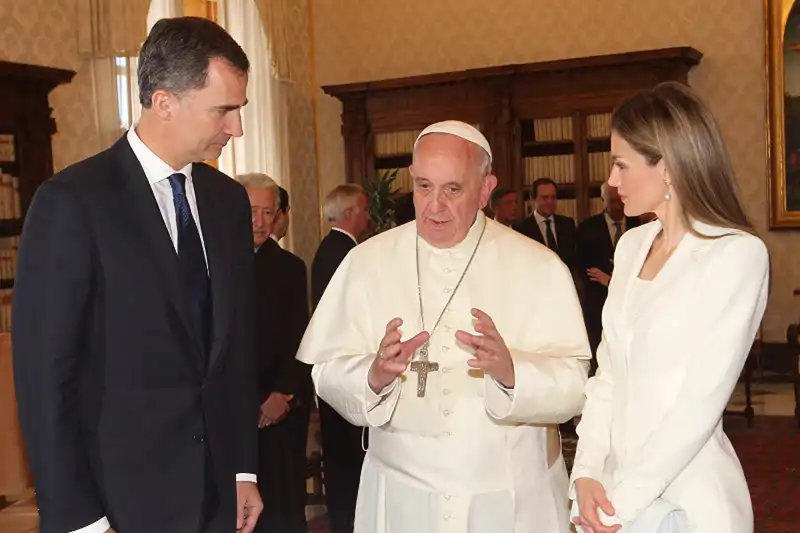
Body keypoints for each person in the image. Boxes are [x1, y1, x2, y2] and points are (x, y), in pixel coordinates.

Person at [12, 17, 263, 533]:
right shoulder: (73, 203)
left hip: (217, 495)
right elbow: (45, 379)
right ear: (165, 102)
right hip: (117, 503)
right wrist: (80, 518)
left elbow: (234, 351)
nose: (236, 128)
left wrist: (242, 468)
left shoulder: (227, 202)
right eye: (225, 110)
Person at [298, 120, 590, 533]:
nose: (434, 205)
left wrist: (512, 372)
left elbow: (575, 385)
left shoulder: (539, 267)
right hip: (402, 497)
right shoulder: (367, 263)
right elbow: (326, 369)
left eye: (452, 189)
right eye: (423, 187)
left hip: (511, 499)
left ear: (486, 189)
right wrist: (373, 376)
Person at [570, 82, 769, 533]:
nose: (611, 181)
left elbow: (699, 404)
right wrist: (585, 473)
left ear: (670, 166)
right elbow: (608, 375)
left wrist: (621, 505)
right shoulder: (632, 245)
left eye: (622, 164)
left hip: (689, 503)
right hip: (612, 491)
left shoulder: (735, 254)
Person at [240, 173, 311, 533]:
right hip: (232, 410)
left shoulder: (290, 267)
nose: (261, 221)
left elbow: (299, 338)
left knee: (280, 512)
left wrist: (279, 394)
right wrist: (254, 399)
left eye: (269, 212)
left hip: (279, 412)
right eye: (252, 210)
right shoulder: (211, 263)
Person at [310, 183, 370, 533]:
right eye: (363, 209)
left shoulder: (331, 248)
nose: (367, 215)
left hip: (338, 366)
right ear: (350, 213)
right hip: (344, 368)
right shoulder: (346, 253)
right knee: (347, 459)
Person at [574, 183, 640, 366]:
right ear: (603, 202)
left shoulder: (638, 225)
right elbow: (581, 265)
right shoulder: (587, 228)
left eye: (620, 200)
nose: (617, 206)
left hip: (631, 301)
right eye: (612, 201)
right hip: (598, 303)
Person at [513, 177, 576, 267]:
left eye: (553, 197)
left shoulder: (567, 224)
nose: (550, 202)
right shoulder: (521, 229)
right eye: (545, 198)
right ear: (533, 199)